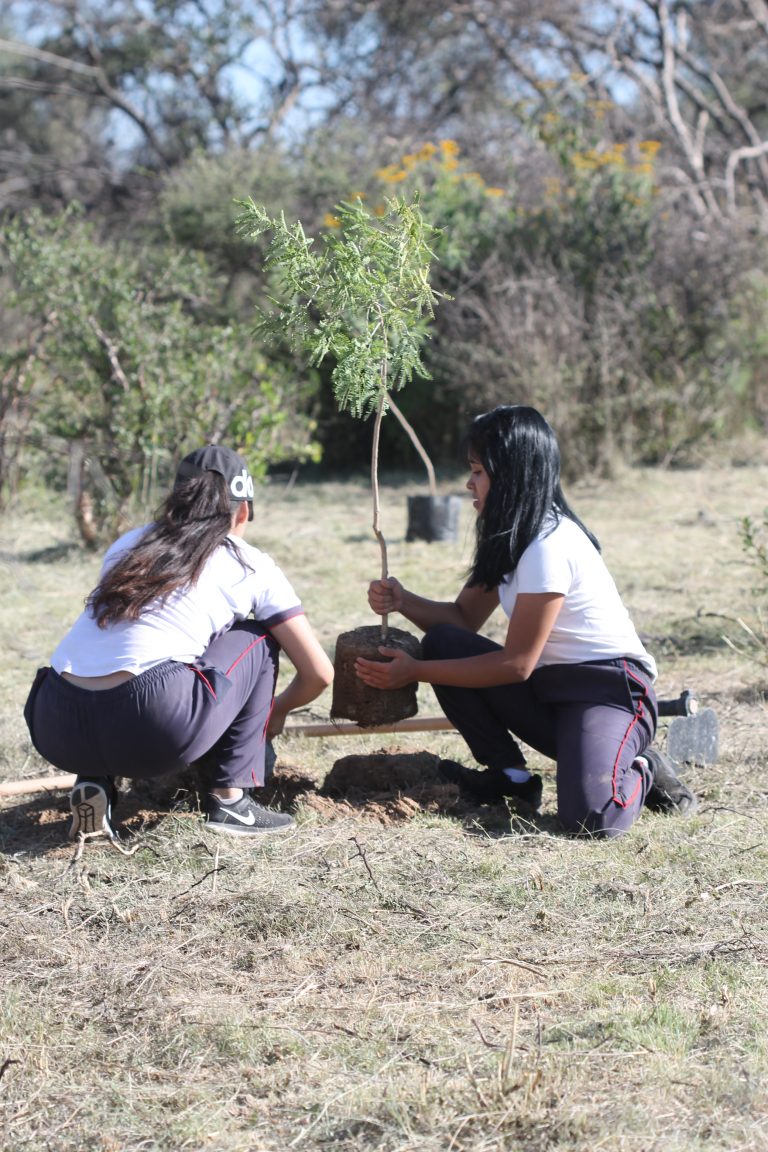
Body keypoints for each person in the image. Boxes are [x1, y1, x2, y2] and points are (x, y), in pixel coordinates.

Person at [355, 405, 697, 838]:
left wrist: (416, 671)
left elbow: (516, 664)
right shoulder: (512, 540)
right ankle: (511, 777)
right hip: (551, 691)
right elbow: (461, 620)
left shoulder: (548, 546)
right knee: (444, 641)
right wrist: (403, 601)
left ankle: (644, 764)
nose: (469, 483)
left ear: (510, 476)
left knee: (591, 819)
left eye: (478, 471)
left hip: (610, 692)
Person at [24, 445, 334, 840]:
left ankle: (94, 781)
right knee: (257, 639)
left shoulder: (128, 544)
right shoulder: (248, 563)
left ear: (176, 500)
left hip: (55, 720)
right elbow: (319, 673)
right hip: (152, 724)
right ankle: (230, 800)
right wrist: (278, 709)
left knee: (113, 649)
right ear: (242, 512)